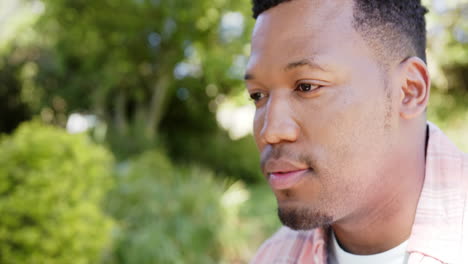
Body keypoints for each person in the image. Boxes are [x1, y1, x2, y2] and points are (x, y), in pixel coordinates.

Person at [244, 0, 468, 263]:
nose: (271, 131)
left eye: (306, 86)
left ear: (409, 90)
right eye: (258, 95)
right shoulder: (274, 256)